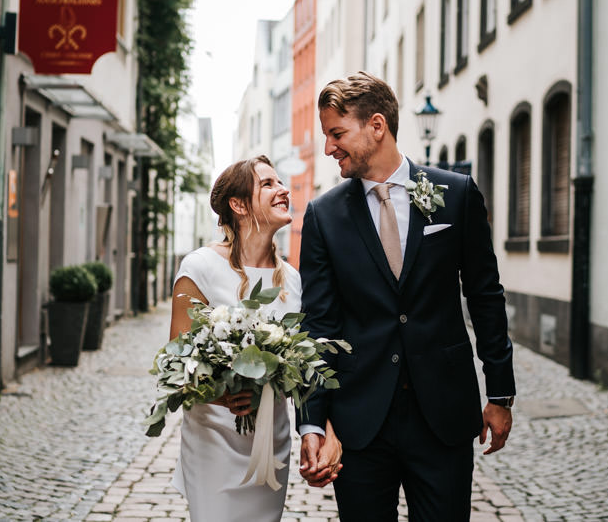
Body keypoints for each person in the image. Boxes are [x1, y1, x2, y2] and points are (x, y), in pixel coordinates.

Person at [297, 73, 516, 520]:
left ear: (377, 126)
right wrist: (312, 421)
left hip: (444, 415)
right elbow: (318, 325)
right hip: (359, 420)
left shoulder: (455, 195)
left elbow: (485, 295)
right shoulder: (324, 215)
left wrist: (500, 393)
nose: (329, 148)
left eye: (337, 134)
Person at [170, 155, 342, 521]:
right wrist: (224, 393)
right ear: (239, 205)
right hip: (214, 442)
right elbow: (176, 367)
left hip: (270, 442)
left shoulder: (293, 281)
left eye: (280, 183)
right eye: (268, 184)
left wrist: (324, 431)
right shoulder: (199, 268)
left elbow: (306, 370)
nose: (283, 190)